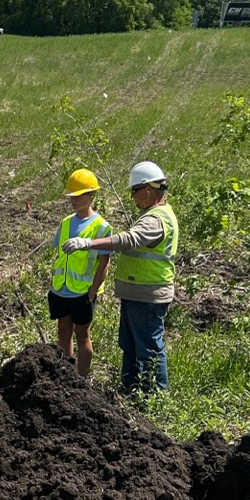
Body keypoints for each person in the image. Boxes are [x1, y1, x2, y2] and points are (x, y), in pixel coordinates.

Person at [62, 161, 179, 394]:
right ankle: (130, 389)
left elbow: (129, 240)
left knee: (148, 349)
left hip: (148, 294)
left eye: (135, 191)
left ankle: (154, 395)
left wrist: (89, 243)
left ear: (148, 189)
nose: (133, 197)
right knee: (131, 346)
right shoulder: (155, 214)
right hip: (137, 292)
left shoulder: (155, 219)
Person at [48, 169, 111, 378]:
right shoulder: (66, 222)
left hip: (82, 292)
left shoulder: (101, 227)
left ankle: (81, 379)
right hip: (61, 289)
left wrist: (92, 292)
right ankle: (66, 375)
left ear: (92, 195)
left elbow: (104, 262)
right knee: (63, 333)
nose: (74, 200)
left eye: (79, 195)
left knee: (82, 335)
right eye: (72, 196)